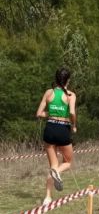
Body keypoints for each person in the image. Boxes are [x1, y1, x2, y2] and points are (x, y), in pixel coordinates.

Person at [36, 68, 77, 205]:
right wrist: (74, 125)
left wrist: (51, 114)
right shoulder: (71, 95)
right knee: (68, 162)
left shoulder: (49, 92)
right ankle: (57, 172)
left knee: (53, 165)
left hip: (49, 129)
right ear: (68, 80)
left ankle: (47, 197)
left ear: (56, 79)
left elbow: (39, 114)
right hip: (62, 130)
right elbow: (71, 113)